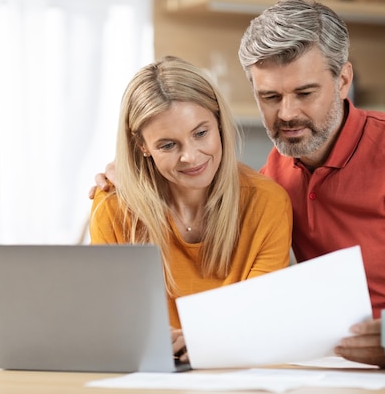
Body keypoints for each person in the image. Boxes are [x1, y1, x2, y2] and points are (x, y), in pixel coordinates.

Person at [92, 0, 385, 366]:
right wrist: (131, 170)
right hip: (370, 368)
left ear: (344, 81)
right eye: (270, 97)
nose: (287, 114)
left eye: (305, 93)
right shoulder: (276, 175)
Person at [89, 56, 293, 360]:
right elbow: (111, 325)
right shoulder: (113, 209)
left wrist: (200, 341)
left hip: (235, 371)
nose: (191, 157)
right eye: (168, 145)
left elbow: (258, 321)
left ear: (219, 122)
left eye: (201, 133)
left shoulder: (267, 203)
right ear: (142, 146)